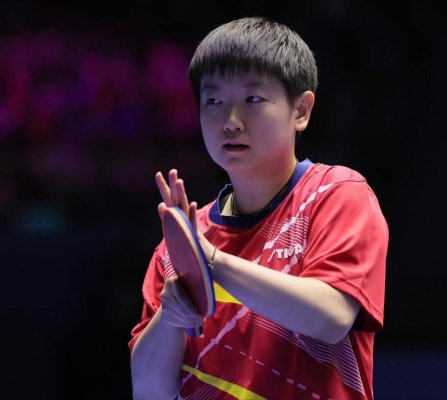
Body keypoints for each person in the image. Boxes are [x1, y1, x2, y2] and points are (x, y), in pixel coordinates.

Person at [129, 16, 388, 400]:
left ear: (301, 110)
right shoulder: (178, 248)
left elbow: (331, 317)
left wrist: (212, 264)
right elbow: (150, 391)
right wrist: (171, 317)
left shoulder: (334, 194)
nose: (230, 122)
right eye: (213, 101)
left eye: (253, 100)